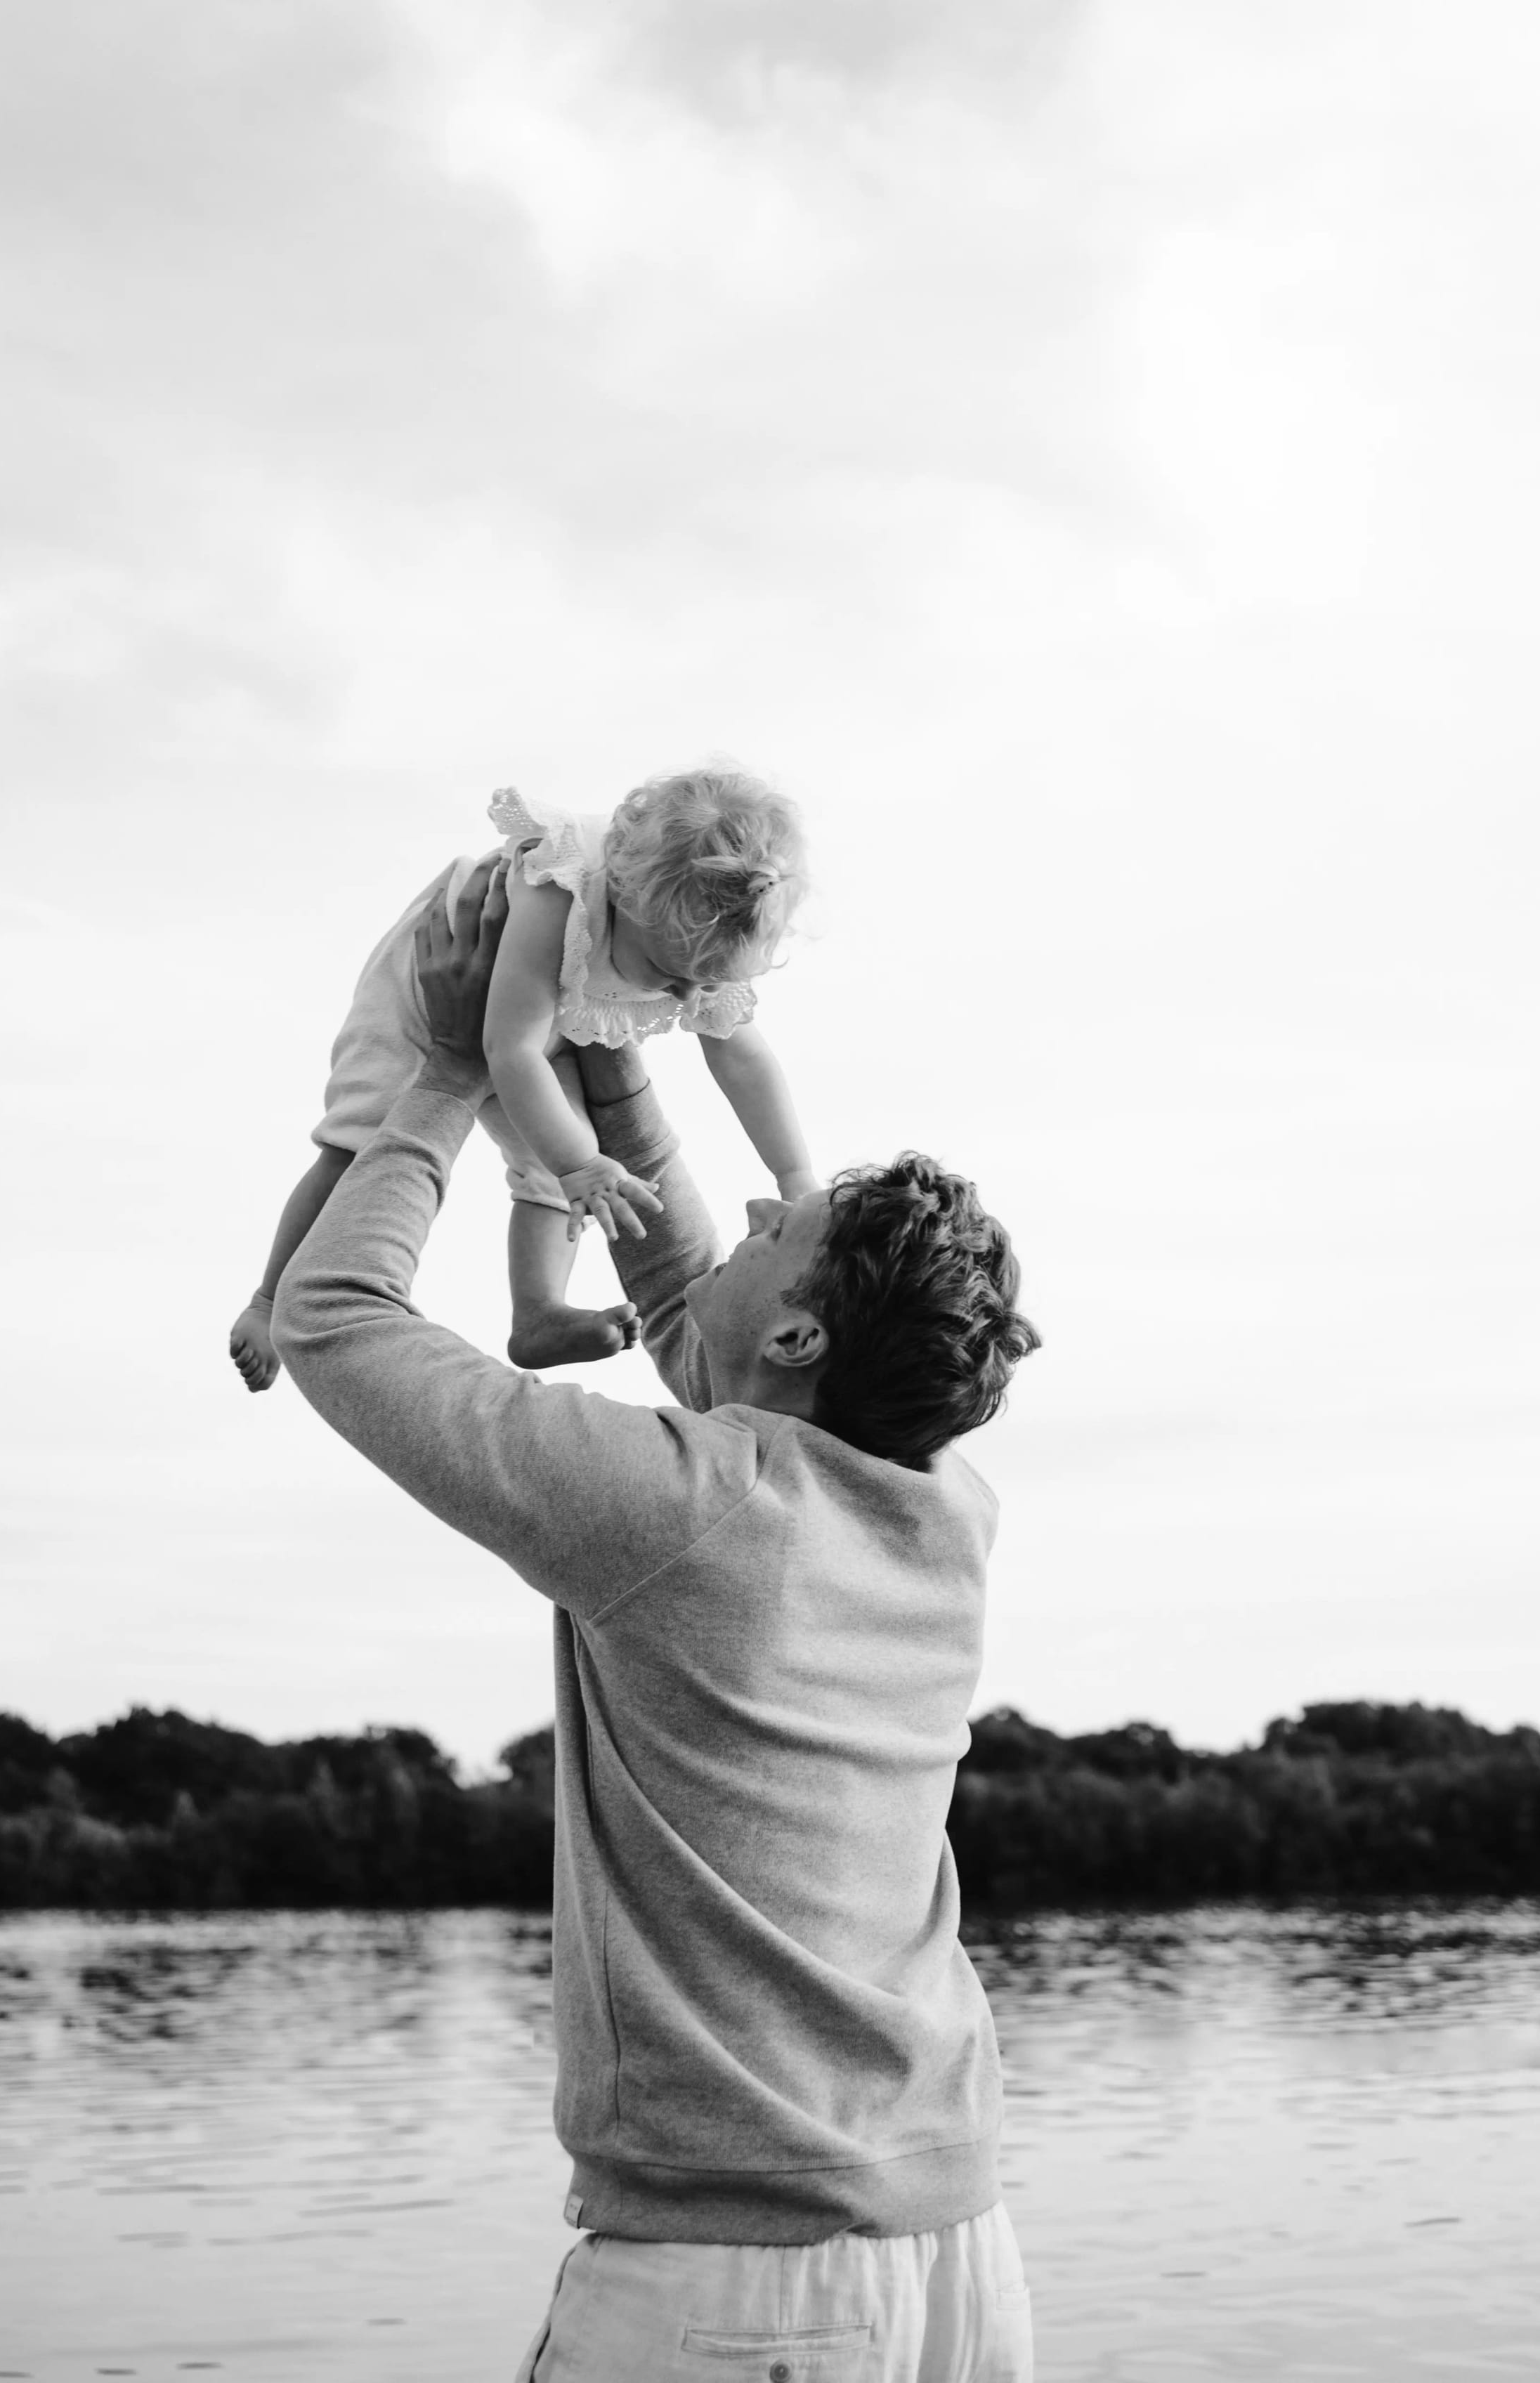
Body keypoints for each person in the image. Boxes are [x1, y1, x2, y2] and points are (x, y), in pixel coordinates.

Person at [273, 859, 1042, 2382]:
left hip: (740, 2288)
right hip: (958, 2255)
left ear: (804, 1329)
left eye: (778, 1228)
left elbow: (333, 1317)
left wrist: (450, 1065)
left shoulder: (680, 1509)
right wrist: (601, 1048)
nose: (748, 1206)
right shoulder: (943, 1509)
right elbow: (716, 1334)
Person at [230, 765, 813, 1386]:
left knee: (568, 1164)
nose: (689, 997)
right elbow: (510, 1050)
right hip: (425, 994)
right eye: (668, 975)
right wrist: (578, 1162)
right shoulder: (561, 882)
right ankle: (269, 1300)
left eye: (708, 982)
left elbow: (742, 1058)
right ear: (624, 896)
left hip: (544, 1013)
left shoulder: (701, 929)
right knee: (363, 1145)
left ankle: (537, 1312)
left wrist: (795, 1175)